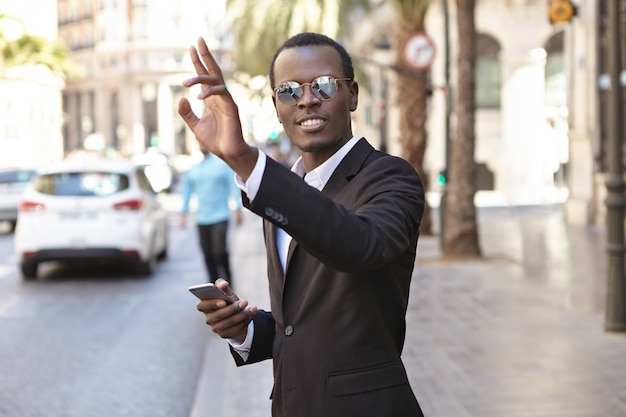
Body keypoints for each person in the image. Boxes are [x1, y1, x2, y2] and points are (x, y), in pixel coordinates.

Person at [178, 32, 425, 417]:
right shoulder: (280, 194)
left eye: (324, 86)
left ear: (353, 95)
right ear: (278, 107)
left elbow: (360, 245)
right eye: (289, 91)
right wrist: (245, 330)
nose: (307, 99)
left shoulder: (390, 178)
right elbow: (298, 325)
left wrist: (245, 160)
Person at [178, 148, 242, 284]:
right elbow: (187, 191)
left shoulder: (222, 166)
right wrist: (183, 213)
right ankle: (214, 285)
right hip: (201, 219)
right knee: (208, 255)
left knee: (219, 251)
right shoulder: (194, 169)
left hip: (220, 216)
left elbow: (233, 187)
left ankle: (228, 281)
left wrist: (237, 208)